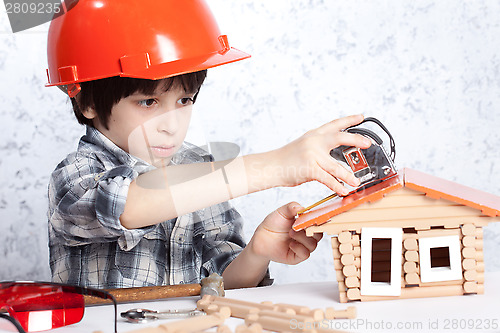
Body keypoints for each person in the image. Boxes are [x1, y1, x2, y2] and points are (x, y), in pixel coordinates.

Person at [46, 0, 371, 289]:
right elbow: (125, 207)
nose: (172, 126)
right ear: (88, 102)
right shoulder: (75, 175)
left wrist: (258, 251)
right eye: (148, 102)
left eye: (185, 99)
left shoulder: (200, 167)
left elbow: (220, 284)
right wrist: (277, 164)